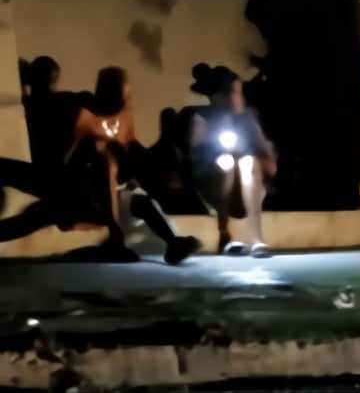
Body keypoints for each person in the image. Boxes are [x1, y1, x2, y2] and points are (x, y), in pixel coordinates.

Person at [2, 65, 200, 264]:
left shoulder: (122, 119)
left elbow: (132, 149)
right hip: (77, 190)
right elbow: (62, 164)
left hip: (104, 194)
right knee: (42, 212)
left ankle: (173, 242)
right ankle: (115, 239)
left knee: (140, 201)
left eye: (122, 91)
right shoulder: (82, 113)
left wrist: (157, 163)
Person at [187, 66, 276, 257]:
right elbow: (196, 161)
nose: (240, 98)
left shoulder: (248, 118)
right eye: (235, 93)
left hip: (248, 187)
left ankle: (256, 239)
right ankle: (224, 232)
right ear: (219, 96)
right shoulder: (202, 118)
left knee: (248, 161)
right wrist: (216, 155)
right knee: (226, 161)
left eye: (240, 92)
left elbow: (268, 160)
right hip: (216, 187)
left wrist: (252, 155)